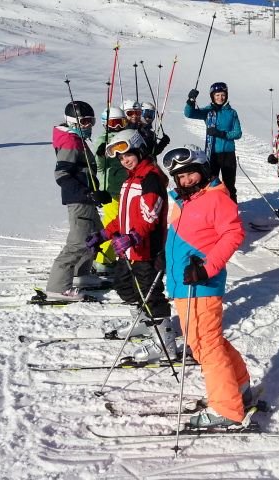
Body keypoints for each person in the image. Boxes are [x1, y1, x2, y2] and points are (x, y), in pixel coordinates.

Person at [163, 145, 251, 428]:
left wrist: (205, 268)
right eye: (180, 177)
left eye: (190, 173)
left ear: (203, 170)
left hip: (201, 284)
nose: (186, 180)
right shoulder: (186, 201)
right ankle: (239, 386)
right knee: (208, 342)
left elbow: (233, 234)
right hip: (184, 284)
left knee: (205, 345)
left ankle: (227, 409)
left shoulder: (216, 198)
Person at [87, 129, 174, 360]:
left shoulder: (150, 178)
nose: (125, 160)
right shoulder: (130, 179)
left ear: (139, 150)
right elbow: (123, 216)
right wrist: (104, 234)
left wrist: (134, 237)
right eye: (120, 157)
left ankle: (165, 343)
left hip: (146, 250)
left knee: (150, 294)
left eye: (128, 154)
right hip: (129, 250)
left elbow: (150, 216)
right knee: (124, 285)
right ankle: (144, 323)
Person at [45, 101, 111, 301]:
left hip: (86, 197)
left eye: (91, 121)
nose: (88, 126)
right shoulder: (70, 142)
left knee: (95, 235)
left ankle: (81, 274)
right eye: (83, 122)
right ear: (72, 122)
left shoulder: (77, 140)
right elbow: (62, 174)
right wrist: (86, 193)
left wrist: (94, 192)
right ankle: (57, 287)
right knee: (78, 242)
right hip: (79, 199)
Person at [184, 82, 242, 203]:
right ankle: (213, 208)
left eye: (223, 95)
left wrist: (221, 134)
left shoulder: (232, 113)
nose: (220, 98)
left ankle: (231, 208)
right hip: (211, 154)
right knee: (210, 184)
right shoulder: (208, 111)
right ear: (212, 96)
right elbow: (189, 114)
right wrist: (190, 101)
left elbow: (238, 133)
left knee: (229, 184)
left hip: (228, 154)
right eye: (217, 95)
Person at [93, 106, 129, 271]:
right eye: (113, 123)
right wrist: (101, 154)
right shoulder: (103, 140)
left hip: (126, 188)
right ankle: (103, 261)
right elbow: (99, 166)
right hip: (111, 190)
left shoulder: (126, 137)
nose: (117, 127)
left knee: (124, 223)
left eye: (121, 122)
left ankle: (117, 256)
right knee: (113, 225)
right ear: (105, 124)